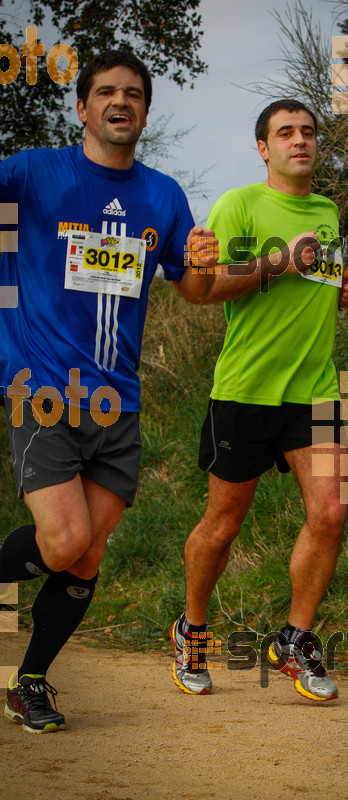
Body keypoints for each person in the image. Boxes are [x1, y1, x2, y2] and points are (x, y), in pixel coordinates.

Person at [0, 49, 217, 733]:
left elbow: (192, 287)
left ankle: (30, 680)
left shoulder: (163, 196)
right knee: (63, 542)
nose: (119, 101)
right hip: (41, 389)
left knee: (88, 553)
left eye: (133, 93)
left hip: (118, 403)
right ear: (82, 108)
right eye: (104, 92)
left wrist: (210, 266)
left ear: (145, 112)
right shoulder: (33, 172)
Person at [170, 99, 348, 701]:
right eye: (285, 133)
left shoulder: (330, 212)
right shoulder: (239, 205)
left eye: (308, 132)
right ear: (263, 147)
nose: (300, 141)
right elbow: (204, 291)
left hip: (315, 389)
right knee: (224, 524)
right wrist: (278, 261)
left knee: (330, 514)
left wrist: (345, 290)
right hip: (246, 391)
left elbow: (316, 284)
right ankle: (192, 629)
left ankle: (295, 639)